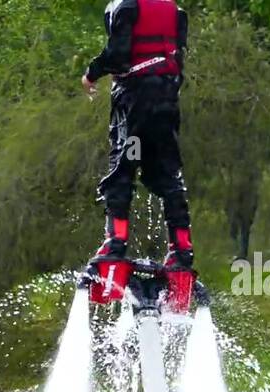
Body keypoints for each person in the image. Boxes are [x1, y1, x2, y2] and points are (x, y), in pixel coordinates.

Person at [80, 0, 193, 304]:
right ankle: (181, 250)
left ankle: (115, 243)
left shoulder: (126, 6)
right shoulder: (176, 11)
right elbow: (178, 60)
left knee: (123, 168)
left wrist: (91, 74)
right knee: (168, 173)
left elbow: (118, 56)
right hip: (167, 99)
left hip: (135, 99)